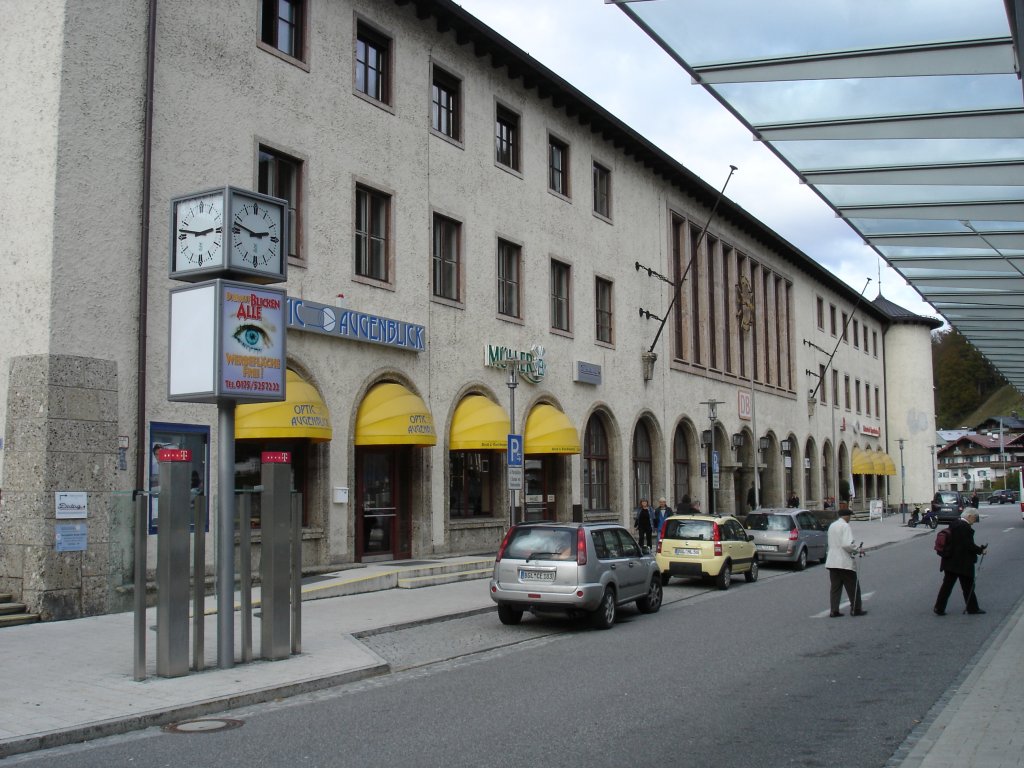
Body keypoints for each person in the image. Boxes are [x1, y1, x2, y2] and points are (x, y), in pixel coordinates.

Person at [934, 510, 987, 615]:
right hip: (962, 563)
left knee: (947, 586)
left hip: (950, 561)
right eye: (975, 518)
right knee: (968, 586)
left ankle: (939, 608)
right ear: (969, 516)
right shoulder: (964, 527)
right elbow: (968, 545)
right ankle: (972, 608)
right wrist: (980, 550)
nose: (975, 520)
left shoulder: (955, 523)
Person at [826, 508, 866, 617]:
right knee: (853, 586)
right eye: (850, 516)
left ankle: (834, 610)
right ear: (847, 516)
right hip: (843, 561)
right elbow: (847, 544)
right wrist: (858, 550)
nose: (850, 518)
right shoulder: (845, 526)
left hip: (832, 561)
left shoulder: (832, 525)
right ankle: (856, 609)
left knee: (835, 588)